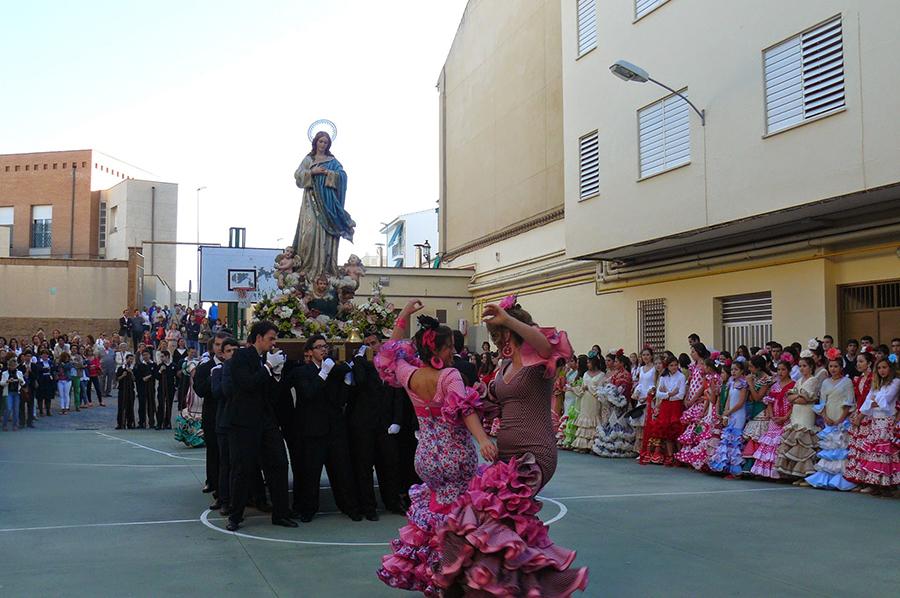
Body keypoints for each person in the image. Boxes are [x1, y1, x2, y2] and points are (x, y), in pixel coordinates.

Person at [434, 295, 588, 596]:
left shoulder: (540, 363)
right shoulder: (504, 368)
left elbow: (547, 344)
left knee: (498, 519)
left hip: (535, 455)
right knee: (487, 523)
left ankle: (541, 582)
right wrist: (481, 439)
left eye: (500, 333)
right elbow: (473, 405)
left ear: (512, 331)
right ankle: (510, 587)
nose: (497, 339)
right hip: (504, 460)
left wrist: (509, 319)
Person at [374, 301, 494, 595]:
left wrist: (404, 314)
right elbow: (465, 410)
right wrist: (483, 440)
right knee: (460, 518)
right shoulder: (450, 376)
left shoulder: (409, 374)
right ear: (440, 349)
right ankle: (454, 573)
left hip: (426, 456)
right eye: (450, 346)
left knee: (434, 514)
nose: (452, 351)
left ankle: (435, 571)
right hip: (455, 456)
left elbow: (391, 349)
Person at [224, 321, 296, 531]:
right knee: (243, 468)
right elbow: (247, 384)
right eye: (271, 338)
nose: (274, 343)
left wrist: (276, 375)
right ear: (258, 338)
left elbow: (272, 395)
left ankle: (281, 513)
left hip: (266, 419)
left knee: (280, 464)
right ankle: (235, 516)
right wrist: (268, 368)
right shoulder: (242, 357)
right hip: (244, 422)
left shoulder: (268, 360)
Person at [291, 335, 361, 522]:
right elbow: (308, 393)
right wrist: (323, 374)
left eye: (325, 346)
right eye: (319, 347)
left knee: (342, 470)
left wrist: (346, 384)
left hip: (334, 428)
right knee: (311, 472)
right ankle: (308, 509)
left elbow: (339, 401)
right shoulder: (302, 372)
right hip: (313, 430)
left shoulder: (334, 371)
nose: (323, 350)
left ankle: (349, 506)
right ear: (309, 351)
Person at [347, 331, 406, 519]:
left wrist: (397, 420)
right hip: (364, 424)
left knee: (389, 464)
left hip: (385, 424)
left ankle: (392, 501)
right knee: (365, 466)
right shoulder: (361, 366)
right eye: (367, 344)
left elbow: (397, 395)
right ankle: (368, 507)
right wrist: (359, 360)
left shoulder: (391, 365)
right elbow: (362, 383)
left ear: (381, 344)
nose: (371, 347)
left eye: (374, 343)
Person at [292, 131, 355, 278]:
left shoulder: (332, 161)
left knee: (326, 236)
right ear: (315, 142)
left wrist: (329, 173)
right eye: (320, 141)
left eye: (325, 142)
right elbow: (297, 176)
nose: (323, 144)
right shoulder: (309, 159)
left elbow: (342, 175)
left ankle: (324, 269)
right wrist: (312, 172)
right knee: (309, 233)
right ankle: (307, 268)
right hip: (311, 201)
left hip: (327, 203)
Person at [846, 358, 899, 495]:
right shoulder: (876, 384)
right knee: (874, 453)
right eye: (879, 368)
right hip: (875, 421)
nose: (882, 370)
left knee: (886, 453)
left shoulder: (896, 382)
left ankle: (888, 485)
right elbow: (868, 402)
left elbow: (886, 399)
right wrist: (873, 402)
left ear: (890, 368)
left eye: (884, 367)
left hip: (887, 421)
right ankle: (876, 483)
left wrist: (875, 400)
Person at [806, 352, 856, 491]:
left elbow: (849, 403)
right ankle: (826, 478)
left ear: (841, 367)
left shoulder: (847, 382)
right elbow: (822, 402)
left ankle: (841, 478)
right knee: (829, 449)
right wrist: (825, 417)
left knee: (841, 448)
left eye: (836, 366)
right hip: (828, 418)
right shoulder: (826, 382)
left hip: (841, 419)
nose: (833, 369)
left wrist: (841, 419)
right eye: (831, 366)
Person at [194, 333, 230, 495]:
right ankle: (212, 481)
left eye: (223, 344)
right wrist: (213, 377)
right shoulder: (204, 368)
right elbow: (200, 390)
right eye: (217, 344)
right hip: (212, 415)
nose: (220, 348)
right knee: (213, 450)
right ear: (212, 347)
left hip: (231, 415)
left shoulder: (235, 366)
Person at [776, 356, 821, 483]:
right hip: (796, 412)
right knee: (794, 441)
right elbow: (790, 398)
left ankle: (806, 475)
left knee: (803, 441)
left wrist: (797, 398)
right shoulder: (799, 380)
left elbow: (804, 399)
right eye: (800, 366)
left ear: (811, 367)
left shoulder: (813, 380)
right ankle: (797, 474)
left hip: (806, 413)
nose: (801, 368)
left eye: (804, 366)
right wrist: (798, 397)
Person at [210, 337, 241, 514]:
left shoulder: (244, 370)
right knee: (226, 463)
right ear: (223, 354)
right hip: (225, 422)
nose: (233, 354)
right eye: (229, 351)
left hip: (241, 422)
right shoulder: (218, 371)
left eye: (236, 351)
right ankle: (224, 499)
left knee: (240, 464)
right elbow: (218, 392)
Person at [750, 361, 795, 479]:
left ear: (789, 371)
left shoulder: (793, 385)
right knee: (770, 443)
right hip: (774, 418)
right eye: (778, 369)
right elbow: (769, 402)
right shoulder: (774, 386)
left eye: (783, 369)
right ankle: (766, 472)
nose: (780, 372)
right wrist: (771, 415)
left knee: (782, 443)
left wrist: (785, 417)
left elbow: (794, 404)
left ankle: (781, 473)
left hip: (787, 418)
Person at [709, 361, 748, 477]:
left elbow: (741, 403)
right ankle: (728, 467)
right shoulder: (731, 383)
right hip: (731, 414)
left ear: (741, 371)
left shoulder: (743, 384)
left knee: (735, 441)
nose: (733, 372)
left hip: (739, 414)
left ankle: (736, 471)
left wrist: (730, 412)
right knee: (728, 439)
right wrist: (725, 414)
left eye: (736, 369)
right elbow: (728, 400)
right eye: (732, 370)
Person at [843, 352, 875, 487]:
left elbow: (871, 399)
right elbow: (858, 398)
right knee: (858, 448)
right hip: (859, 413)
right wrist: (855, 412)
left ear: (869, 363)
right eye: (857, 362)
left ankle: (869, 480)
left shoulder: (873, 379)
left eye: (861, 361)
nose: (858, 364)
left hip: (870, 415)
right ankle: (860, 479)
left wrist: (861, 415)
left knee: (868, 448)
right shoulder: (858, 379)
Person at [571, 354, 605, 453]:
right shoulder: (585, 373)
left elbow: (601, 389)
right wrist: (579, 388)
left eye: (589, 362)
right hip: (585, 399)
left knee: (593, 419)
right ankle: (583, 444)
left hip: (594, 400)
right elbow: (582, 387)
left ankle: (593, 444)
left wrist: (589, 388)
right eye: (587, 362)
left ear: (594, 363)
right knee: (584, 418)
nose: (588, 364)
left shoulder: (601, 375)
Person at [1, 358, 26, 431]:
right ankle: (4, 425)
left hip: (17, 393)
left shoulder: (19, 373)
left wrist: (21, 381)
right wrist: (7, 381)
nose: (13, 367)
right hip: (8, 392)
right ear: (9, 366)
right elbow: (1, 383)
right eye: (11, 365)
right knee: (8, 408)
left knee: (16, 409)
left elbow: (23, 383)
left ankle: (15, 425)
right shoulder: (4, 373)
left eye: (14, 365)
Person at [155, 350, 177, 429]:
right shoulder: (160, 365)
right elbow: (156, 377)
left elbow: (176, 377)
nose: (161, 358)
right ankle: (159, 423)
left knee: (169, 405)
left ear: (167, 356)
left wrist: (176, 386)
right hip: (161, 388)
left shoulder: (173, 365)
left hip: (170, 388)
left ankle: (167, 422)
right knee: (161, 405)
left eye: (162, 356)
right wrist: (160, 371)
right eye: (161, 356)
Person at [116, 354, 136, 429]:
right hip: (122, 390)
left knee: (130, 406)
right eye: (129, 359)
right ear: (126, 359)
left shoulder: (133, 368)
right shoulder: (121, 368)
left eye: (132, 359)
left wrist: (131, 373)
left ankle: (130, 423)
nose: (130, 361)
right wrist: (123, 375)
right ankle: (120, 423)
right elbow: (117, 379)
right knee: (121, 407)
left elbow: (135, 379)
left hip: (130, 390)